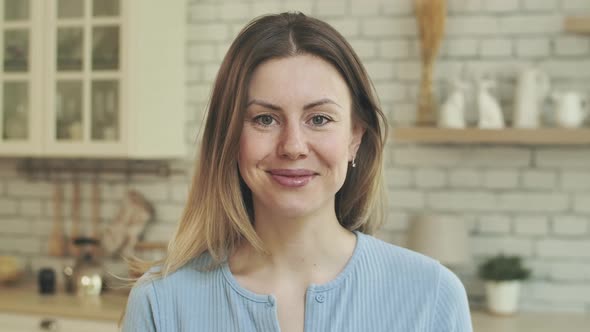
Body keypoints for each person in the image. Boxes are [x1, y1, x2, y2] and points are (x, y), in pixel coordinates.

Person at [122, 12, 472, 332]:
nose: (293, 146)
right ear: (229, 139)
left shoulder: (433, 295)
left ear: (355, 137)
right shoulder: (161, 302)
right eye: (265, 119)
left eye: (319, 119)